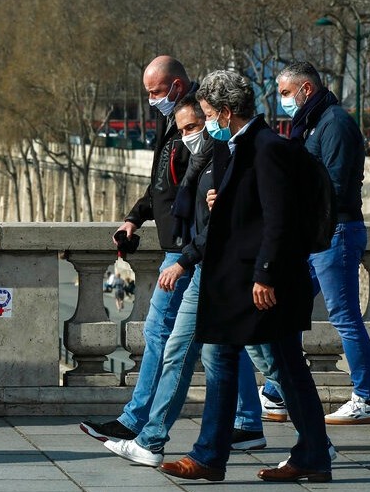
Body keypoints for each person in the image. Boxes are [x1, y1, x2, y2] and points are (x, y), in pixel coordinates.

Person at [159, 70, 331, 483]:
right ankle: (220, 456)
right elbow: (242, 215)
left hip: (260, 283)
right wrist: (191, 253)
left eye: (206, 113)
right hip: (236, 281)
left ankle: (225, 456)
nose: (205, 121)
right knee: (244, 360)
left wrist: (266, 276)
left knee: (285, 366)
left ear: (225, 111)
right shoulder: (235, 147)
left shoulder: (266, 148)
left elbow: (279, 220)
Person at [103, 94, 267, 468]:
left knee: (271, 360)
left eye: (200, 122)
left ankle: (308, 441)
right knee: (196, 352)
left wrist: (183, 259)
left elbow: (241, 221)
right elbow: (182, 206)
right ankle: (159, 440)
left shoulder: (244, 153)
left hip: (229, 270)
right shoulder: (204, 160)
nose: (191, 133)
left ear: (223, 114)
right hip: (205, 267)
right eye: (186, 128)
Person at [80, 55, 197, 443]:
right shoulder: (172, 119)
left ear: (177, 86)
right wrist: (133, 219)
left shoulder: (193, 124)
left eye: (156, 92)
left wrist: (185, 254)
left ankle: (135, 422)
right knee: (217, 346)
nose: (151, 100)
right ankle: (247, 422)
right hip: (180, 247)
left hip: (185, 250)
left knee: (159, 332)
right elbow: (161, 186)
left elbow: (198, 193)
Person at [271, 62, 370, 425]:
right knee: (287, 307)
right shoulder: (313, 122)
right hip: (319, 233)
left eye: (285, 93)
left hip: (336, 232)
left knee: (345, 316)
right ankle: (276, 392)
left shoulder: (333, 123)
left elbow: (332, 188)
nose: (281, 101)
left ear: (305, 90)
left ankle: (366, 399)